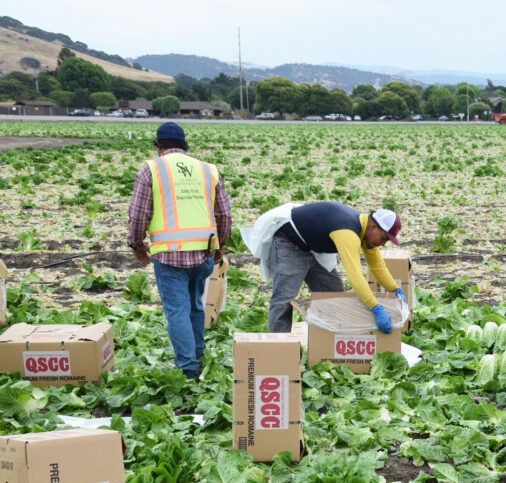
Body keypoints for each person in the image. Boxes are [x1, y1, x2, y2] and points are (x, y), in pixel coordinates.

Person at [127, 122, 233, 380]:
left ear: (158, 145)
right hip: (203, 251)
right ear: (185, 144)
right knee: (196, 306)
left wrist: (136, 244)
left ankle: (188, 368)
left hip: (169, 255)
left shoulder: (151, 170)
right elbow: (225, 213)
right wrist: (220, 245)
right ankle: (197, 353)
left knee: (177, 311)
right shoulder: (208, 170)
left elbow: (139, 214)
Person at [244, 201, 405, 333]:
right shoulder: (348, 233)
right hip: (289, 242)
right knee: (284, 299)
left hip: (313, 246)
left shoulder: (366, 234)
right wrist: (376, 308)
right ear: (373, 226)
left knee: (333, 292)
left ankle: (326, 345)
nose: (383, 244)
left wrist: (395, 289)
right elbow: (355, 276)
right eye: (384, 238)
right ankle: (279, 347)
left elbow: (378, 267)